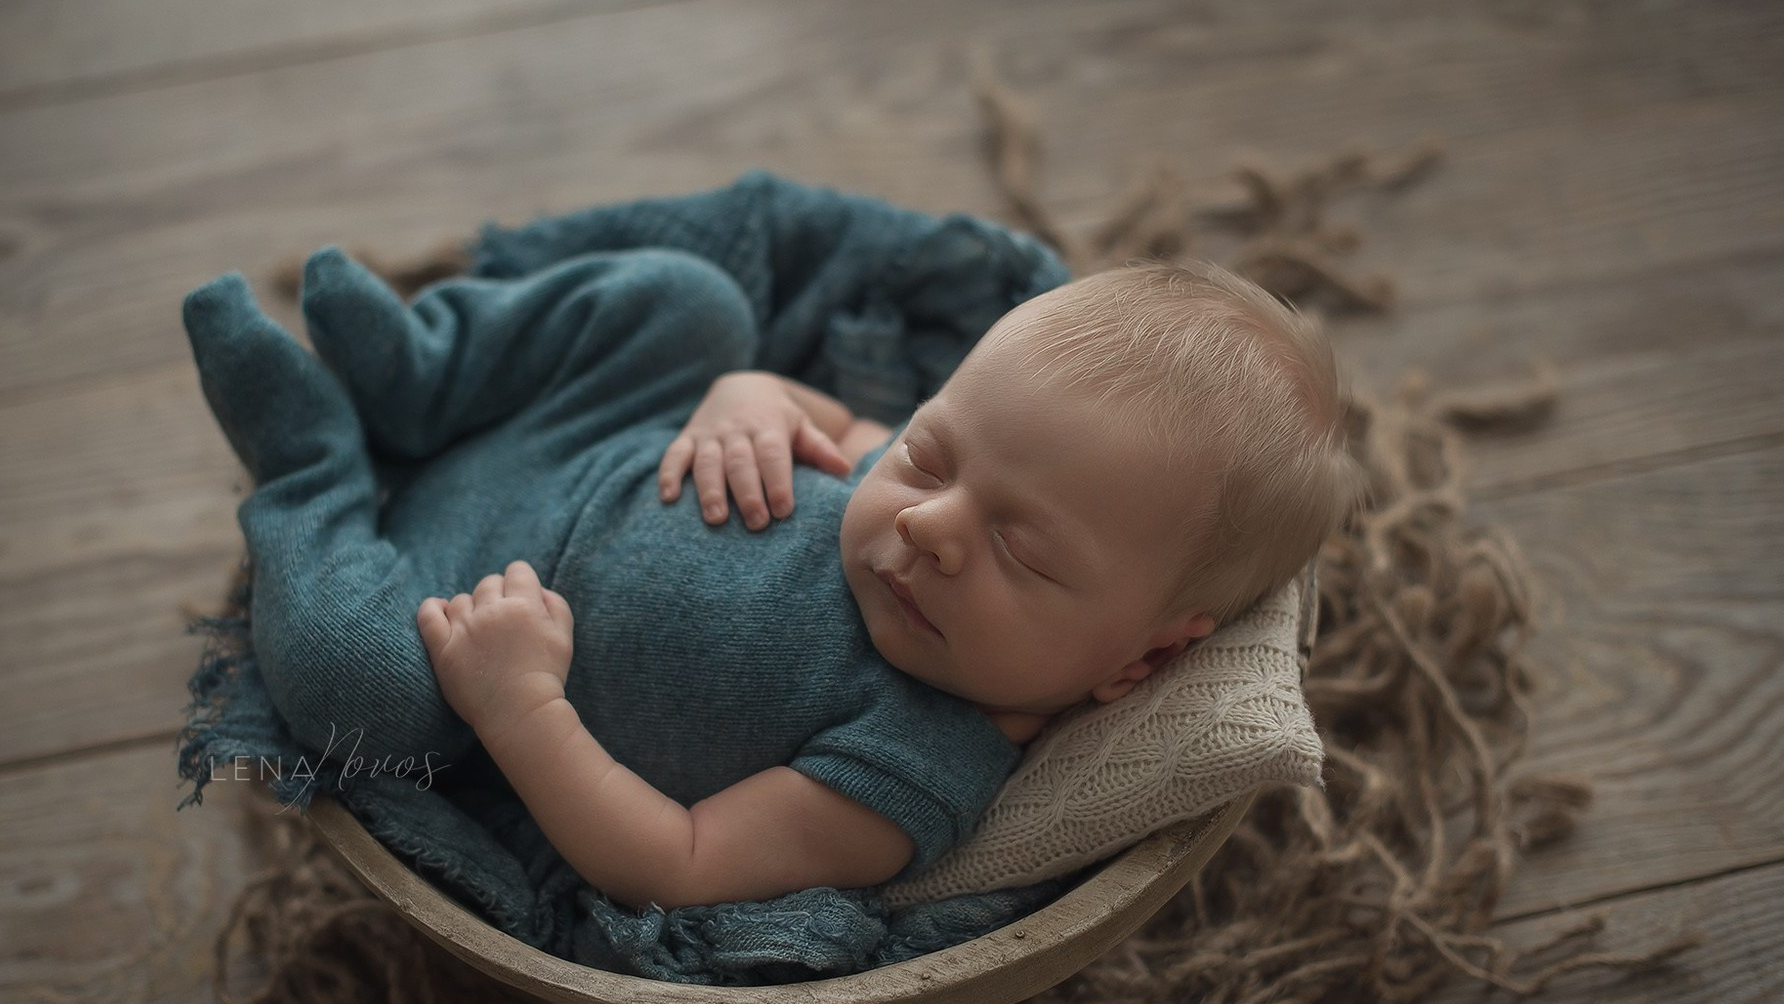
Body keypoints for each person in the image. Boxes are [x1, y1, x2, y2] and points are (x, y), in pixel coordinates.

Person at [184, 246, 1352, 916]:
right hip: (576, 423)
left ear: (1140, 659)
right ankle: (425, 376)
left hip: (450, 612)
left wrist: (519, 704)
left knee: (359, 695)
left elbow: (673, 862)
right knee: (697, 306)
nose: (932, 521)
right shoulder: (935, 482)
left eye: (1022, 551)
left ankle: (312, 468)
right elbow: (823, 414)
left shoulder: (911, 766)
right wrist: (745, 399)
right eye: (931, 453)